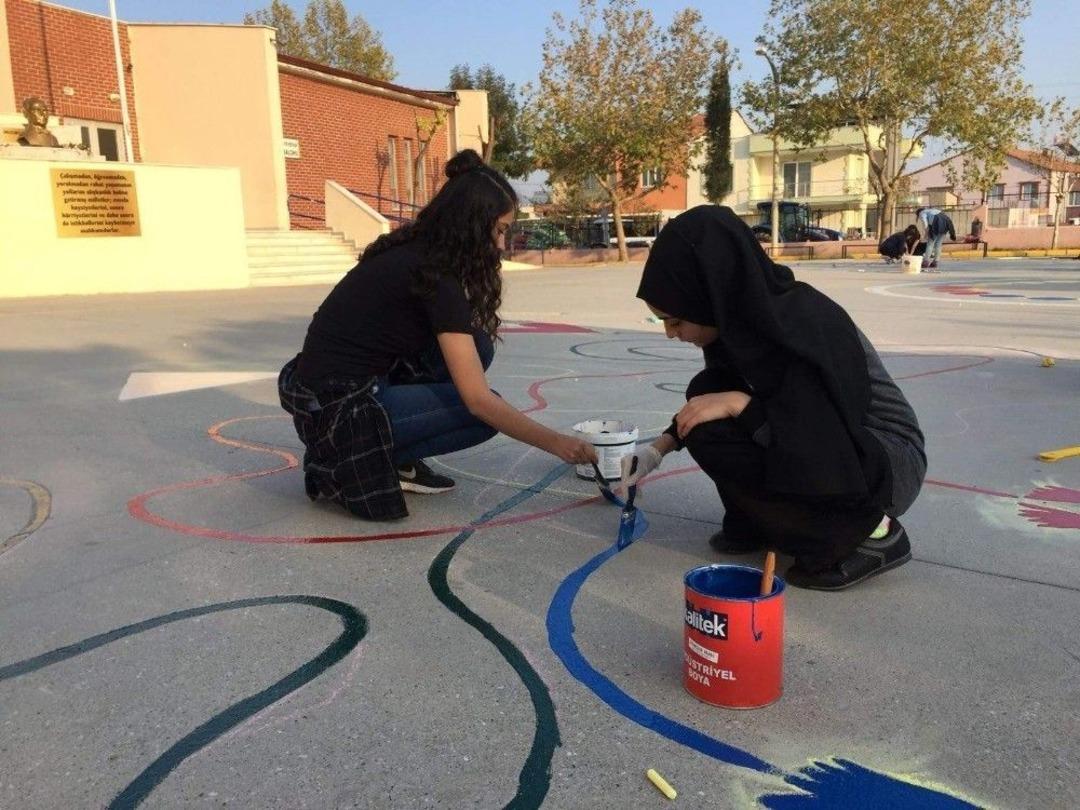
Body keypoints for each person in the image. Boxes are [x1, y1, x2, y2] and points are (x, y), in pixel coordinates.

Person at [616, 206, 926, 591]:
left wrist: (739, 405)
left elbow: (821, 430)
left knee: (725, 407)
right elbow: (724, 400)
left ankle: (869, 535)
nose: (669, 333)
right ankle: (757, 523)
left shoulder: (805, 320)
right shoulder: (739, 325)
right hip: (838, 448)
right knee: (705, 405)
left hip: (883, 463)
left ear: (709, 294)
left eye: (676, 321)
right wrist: (657, 449)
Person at [278, 149, 597, 520]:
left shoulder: (416, 248)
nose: (500, 245)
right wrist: (559, 444)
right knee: (481, 415)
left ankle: (400, 460)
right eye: (498, 230)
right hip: (340, 413)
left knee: (476, 345)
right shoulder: (436, 275)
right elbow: (479, 401)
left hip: (333, 390)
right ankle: (358, 460)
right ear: (471, 225)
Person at [915, 206, 956, 271]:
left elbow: (925, 224)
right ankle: (935, 262)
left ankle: (925, 262)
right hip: (946, 222)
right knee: (938, 244)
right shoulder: (932, 210)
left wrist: (926, 234)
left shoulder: (922, 213)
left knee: (930, 243)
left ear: (918, 213)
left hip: (937, 222)